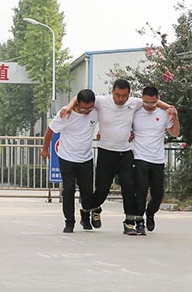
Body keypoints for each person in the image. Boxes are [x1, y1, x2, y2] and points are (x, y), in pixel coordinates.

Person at [61, 78, 171, 235]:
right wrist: (70, 107)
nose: (121, 99)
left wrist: (170, 108)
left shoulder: (134, 103)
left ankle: (129, 223)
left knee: (129, 188)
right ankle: (92, 209)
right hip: (106, 152)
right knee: (102, 190)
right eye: (117, 95)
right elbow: (77, 98)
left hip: (125, 153)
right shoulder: (101, 101)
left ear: (129, 94)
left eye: (124, 95)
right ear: (112, 92)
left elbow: (153, 102)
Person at [41, 89, 98, 233]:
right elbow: (50, 131)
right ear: (78, 104)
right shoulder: (66, 114)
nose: (87, 111)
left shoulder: (96, 110)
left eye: (90, 108)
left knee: (87, 191)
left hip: (86, 158)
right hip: (67, 158)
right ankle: (69, 222)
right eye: (84, 108)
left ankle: (85, 216)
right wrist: (45, 149)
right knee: (68, 190)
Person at [132, 86, 180, 234]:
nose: (149, 106)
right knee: (140, 191)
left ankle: (150, 212)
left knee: (158, 194)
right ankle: (139, 221)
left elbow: (175, 133)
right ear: (142, 98)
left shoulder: (164, 113)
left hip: (157, 159)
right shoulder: (135, 111)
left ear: (158, 99)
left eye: (153, 103)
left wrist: (175, 117)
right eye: (146, 102)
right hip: (139, 157)